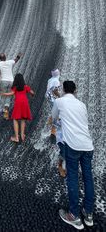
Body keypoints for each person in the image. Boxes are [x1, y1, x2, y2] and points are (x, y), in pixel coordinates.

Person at [52, 81, 94, 230]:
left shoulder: (59, 101)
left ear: (63, 89)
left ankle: (74, 216)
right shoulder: (82, 104)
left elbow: (54, 118)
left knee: (73, 178)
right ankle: (88, 214)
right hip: (88, 145)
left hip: (73, 146)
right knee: (88, 178)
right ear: (75, 90)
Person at [0, 73, 34, 142]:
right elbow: (31, 92)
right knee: (23, 119)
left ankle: (16, 138)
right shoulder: (25, 87)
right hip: (25, 103)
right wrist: (32, 94)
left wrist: (4, 93)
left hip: (18, 103)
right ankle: (22, 135)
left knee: (15, 119)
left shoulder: (15, 88)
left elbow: (11, 93)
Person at [0, 53, 22, 120]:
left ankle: (5, 113)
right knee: (8, 97)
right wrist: (18, 56)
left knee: (3, 97)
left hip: (3, 81)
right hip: (11, 81)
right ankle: (7, 111)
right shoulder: (10, 62)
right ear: (5, 57)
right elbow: (16, 60)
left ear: (0, 58)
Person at [46, 69, 61, 140]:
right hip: (52, 97)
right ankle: (53, 131)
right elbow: (55, 90)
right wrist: (60, 97)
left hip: (48, 96)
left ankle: (49, 124)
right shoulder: (56, 81)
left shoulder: (50, 79)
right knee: (56, 113)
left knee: (54, 111)